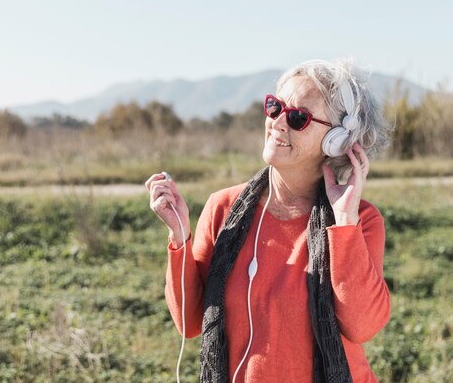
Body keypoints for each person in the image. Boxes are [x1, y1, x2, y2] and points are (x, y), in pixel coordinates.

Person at [145, 59, 391, 383]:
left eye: (298, 118)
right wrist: (179, 237)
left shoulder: (360, 220)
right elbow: (190, 322)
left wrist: (344, 221)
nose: (277, 122)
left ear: (337, 141)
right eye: (275, 107)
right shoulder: (222, 208)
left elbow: (363, 326)